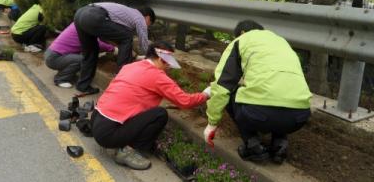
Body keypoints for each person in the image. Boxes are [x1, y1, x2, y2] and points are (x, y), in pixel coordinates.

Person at [203, 20, 311, 164]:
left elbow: (222, 86)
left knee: (232, 93)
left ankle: (253, 145)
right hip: (299, 117)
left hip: (261, 114)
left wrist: (212, 123)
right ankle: (279, 144)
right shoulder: (281, 42)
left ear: (241, 33)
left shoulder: (241, 40)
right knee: (280, 96)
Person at [91, 41, 209, 170]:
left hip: (96, 120)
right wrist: (205, 94)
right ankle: (129, 151)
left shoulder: (131, 66)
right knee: (159, 114)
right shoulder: (158, 76)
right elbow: (185, 101)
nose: (168, 66)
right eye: (167, 62)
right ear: (160, 59)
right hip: (108, 136)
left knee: (146, 110)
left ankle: (125, 142)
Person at [74, 2, 155, 94]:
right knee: (127, 37)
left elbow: (106, 37)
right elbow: (143, 44)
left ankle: (82, 86)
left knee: (91, 51)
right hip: (94, 16)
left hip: (80, 14)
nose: (147, 26)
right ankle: (121, 76)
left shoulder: (127, 14)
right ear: (148, 17)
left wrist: (130, 53)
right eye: (149, 24)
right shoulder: (139, 18)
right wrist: (150, 57)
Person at [45, 22, 115, 88]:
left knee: (79, 58)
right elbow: (96, 43)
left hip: (53, 54)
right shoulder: (83, 30)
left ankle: (64, 73)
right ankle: (60, 79)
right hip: (54, 58)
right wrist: (113, 49)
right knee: (83, 60)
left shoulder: (77, 25)